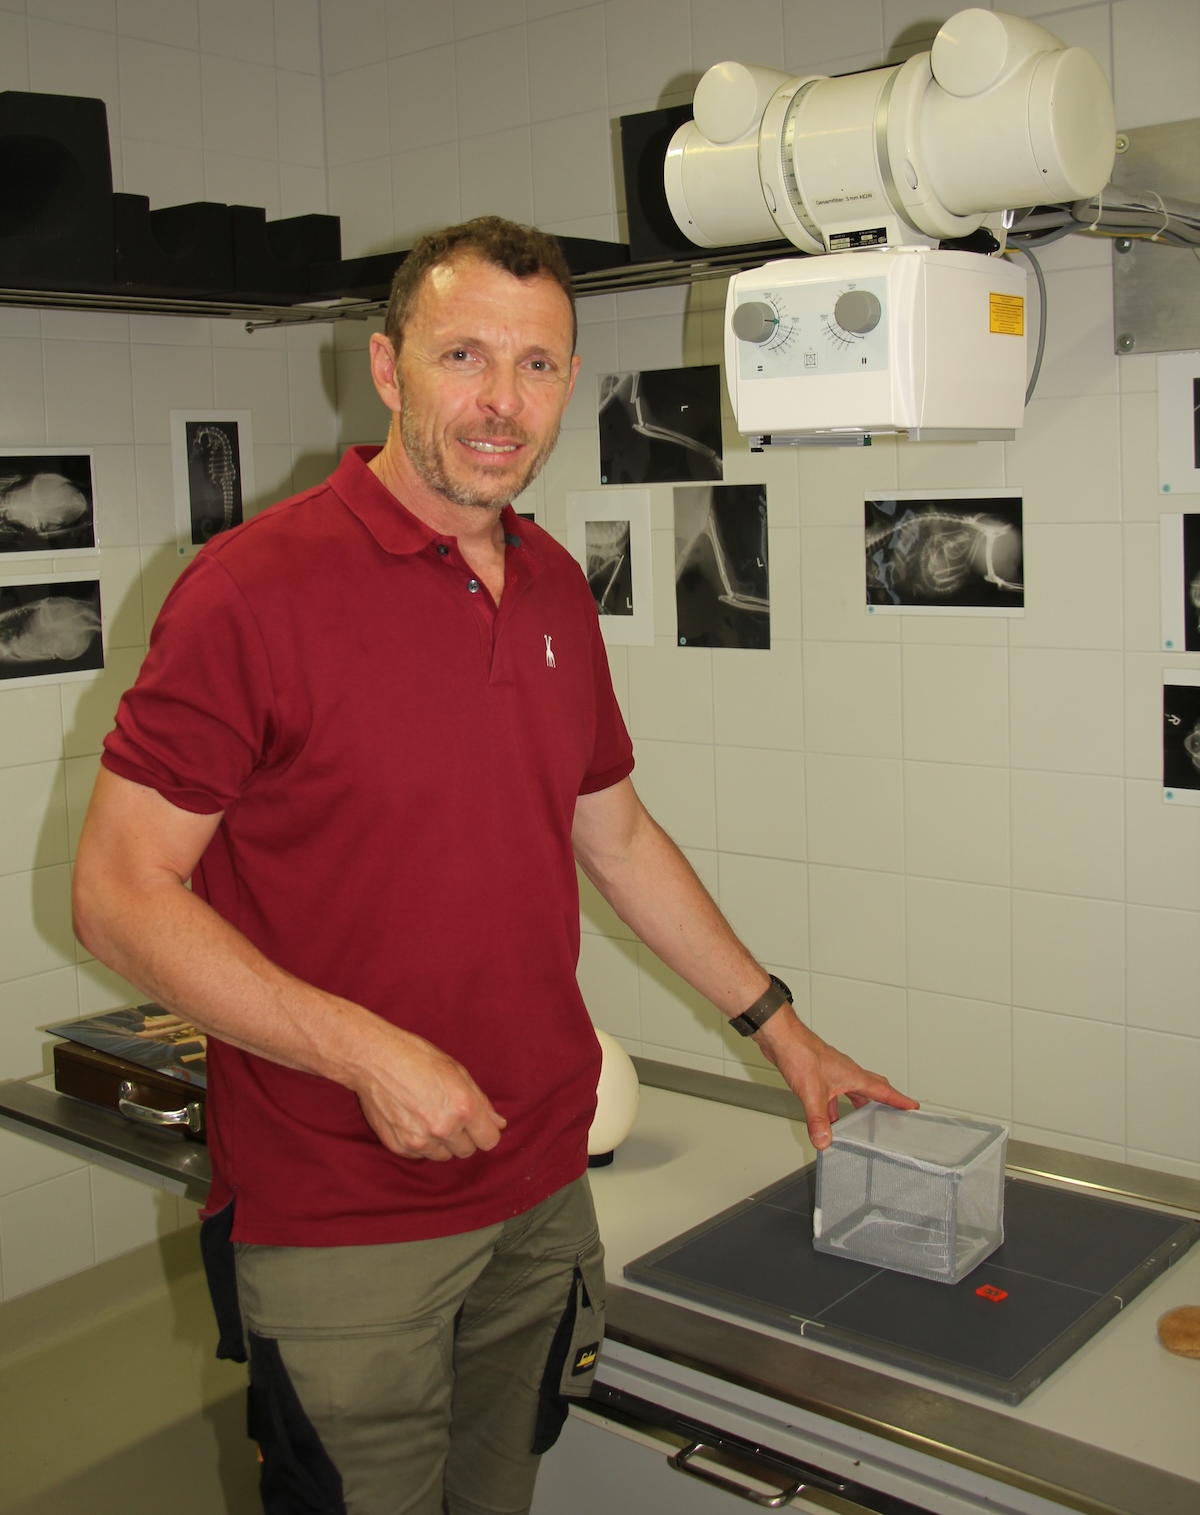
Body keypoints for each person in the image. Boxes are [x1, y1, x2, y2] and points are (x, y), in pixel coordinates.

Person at [73, 216, 916, 1515]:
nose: (500, 403)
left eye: (536, 365)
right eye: (463, 355)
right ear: (389, 367)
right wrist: (368, 1054)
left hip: (540, 1186)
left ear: (569, 382)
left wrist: (784, 1034)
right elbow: (118, 895)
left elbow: (615, 836)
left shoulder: (554, 587)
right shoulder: (251, 591)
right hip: (343, 1208)